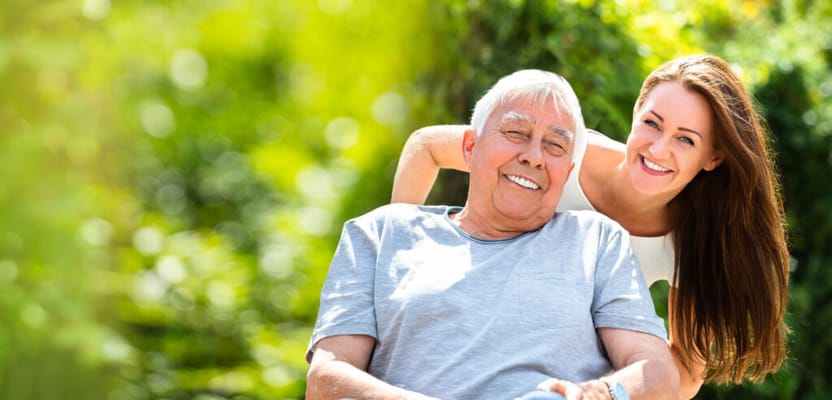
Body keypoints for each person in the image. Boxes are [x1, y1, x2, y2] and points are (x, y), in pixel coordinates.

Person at [391, 55, 790, 398]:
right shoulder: (563, 154)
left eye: (686, 140)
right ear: (636, 112)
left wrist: (599, 377)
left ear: (713, 157)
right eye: (652, 123)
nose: (658, 148)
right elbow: (427, 146)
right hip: (466, 321)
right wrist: (394, 263)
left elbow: (684, 377)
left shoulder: (691, 241)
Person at [306, 69, 679, 400]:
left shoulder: (597, 241)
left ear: (566, 174)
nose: (533, 156)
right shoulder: (379, 233)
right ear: (470, 147)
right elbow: (326, 379)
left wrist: (598, 394)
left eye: (555, 146)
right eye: (516, 132)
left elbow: (658, 375)